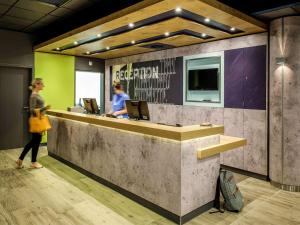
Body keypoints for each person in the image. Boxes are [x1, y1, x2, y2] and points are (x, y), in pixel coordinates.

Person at [16, 78, 50, 169]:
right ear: (37, 84)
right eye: (42, 84)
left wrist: (43, 109)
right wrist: (44, 108)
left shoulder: (36, 94)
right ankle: (32, 162)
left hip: (39, 120)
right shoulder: (34, 96)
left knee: (34, 141)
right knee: (35, 141)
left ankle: (21, 160)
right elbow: (32, 110)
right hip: (36, 121)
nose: (43, 86)